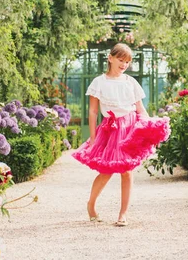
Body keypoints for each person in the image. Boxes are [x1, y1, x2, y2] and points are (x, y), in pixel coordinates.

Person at [72, 43, 171, 226]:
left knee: (126, 171)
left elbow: (140, 109)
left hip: (129, 129)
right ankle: (91, 204)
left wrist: (151, 131)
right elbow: (93, 112)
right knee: (106, 171)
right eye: (121, 59)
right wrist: (93, 138)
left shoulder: (130, 82)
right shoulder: (99, 82)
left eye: (127, 61)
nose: (124, 64)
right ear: (110, 58)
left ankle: (123, 214)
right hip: (109, 130)